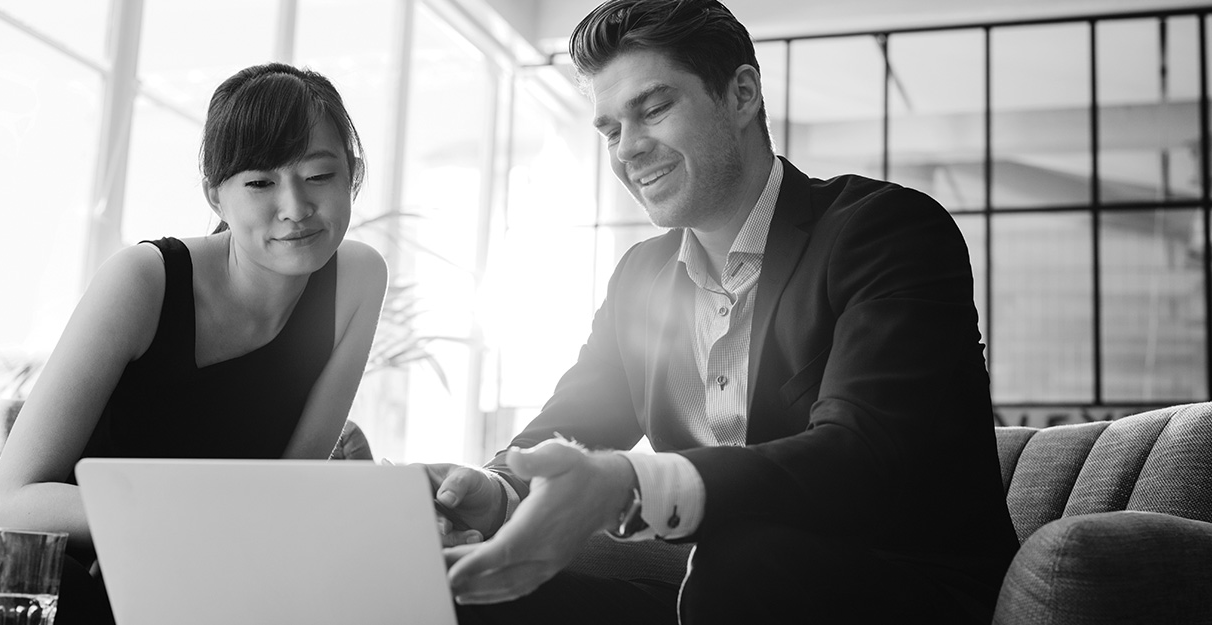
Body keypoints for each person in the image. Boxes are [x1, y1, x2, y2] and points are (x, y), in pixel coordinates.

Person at [425, 1, 1019, 623]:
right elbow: (574, 422)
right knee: (457, 587)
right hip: (717, 590)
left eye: (653, 109)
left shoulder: (884, 232)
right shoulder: (640, 278)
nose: (628, 149)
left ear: (741, 95)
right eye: (609, 130)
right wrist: (495, 490)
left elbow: (861, 456)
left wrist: (633, 483)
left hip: (902, 591)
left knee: (743, 560)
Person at [0, 63, 387, 624]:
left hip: (182, 559)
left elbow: (289, 487)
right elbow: (6, 507)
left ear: (352, 177)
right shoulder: (144, 280)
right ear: (216, 195)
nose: (295, 207)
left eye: (319, 175)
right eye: (260, 182)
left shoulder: (358, 279)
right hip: (32, 563)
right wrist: (196, 519)